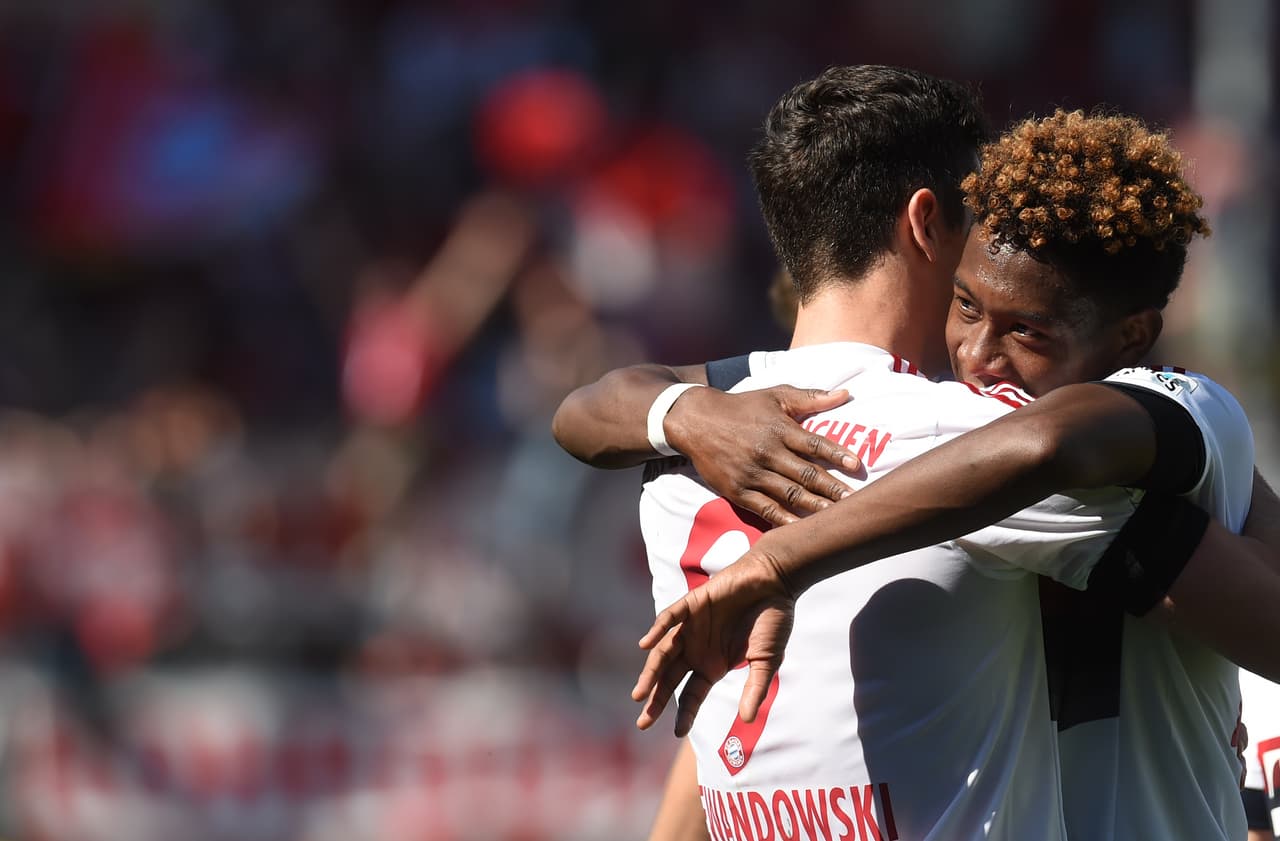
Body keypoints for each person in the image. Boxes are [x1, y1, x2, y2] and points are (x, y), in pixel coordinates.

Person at [619, 108, 1280, 841]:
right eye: (966, 306)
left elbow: (1043, 445)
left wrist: (781, 559)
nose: (977, 355)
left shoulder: (1188, 412)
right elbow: (593, 406)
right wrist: (682, 411)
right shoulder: (955, 450)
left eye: (1027, 330)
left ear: (1131, 336)